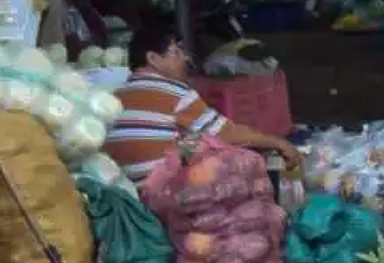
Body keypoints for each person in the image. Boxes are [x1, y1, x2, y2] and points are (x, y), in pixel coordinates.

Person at [103, 19, 303, 187]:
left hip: (128, 188)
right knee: (247, 164)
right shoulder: (174, 92)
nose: (186, 58)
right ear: (153, 58)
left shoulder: (118, 94)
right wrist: (279, 143)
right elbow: (227, 133)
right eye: (177, 52)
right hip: (160, 190)